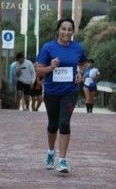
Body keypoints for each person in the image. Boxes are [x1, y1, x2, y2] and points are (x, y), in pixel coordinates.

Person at [36, 18, 87, 174]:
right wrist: (51, 66)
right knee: (53, 125)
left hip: (70, 91)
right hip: (52, 92)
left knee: (64, 123)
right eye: (63, 29)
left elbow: (83, 63)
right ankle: (51, 152)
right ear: (58, 30)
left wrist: (80, 73)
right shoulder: (48, 47)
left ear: (73, 31)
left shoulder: (78, 48)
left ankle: (62, 160)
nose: (66, 32)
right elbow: (38, 71)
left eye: (69, 29)